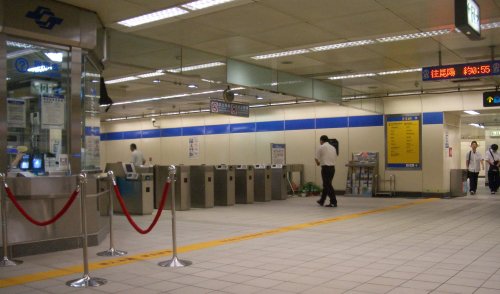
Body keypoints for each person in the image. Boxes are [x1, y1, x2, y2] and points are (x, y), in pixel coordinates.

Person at [315, 135, 337, 207]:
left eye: (320, 141)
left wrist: (318, 163)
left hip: (325, 168)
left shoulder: (321, 147)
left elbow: (316, 158)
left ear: (321, 140)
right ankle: (322, 201)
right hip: (332, 168)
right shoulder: (333, 147)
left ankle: (333, 202)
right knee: (326, 184)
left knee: (328, 185)